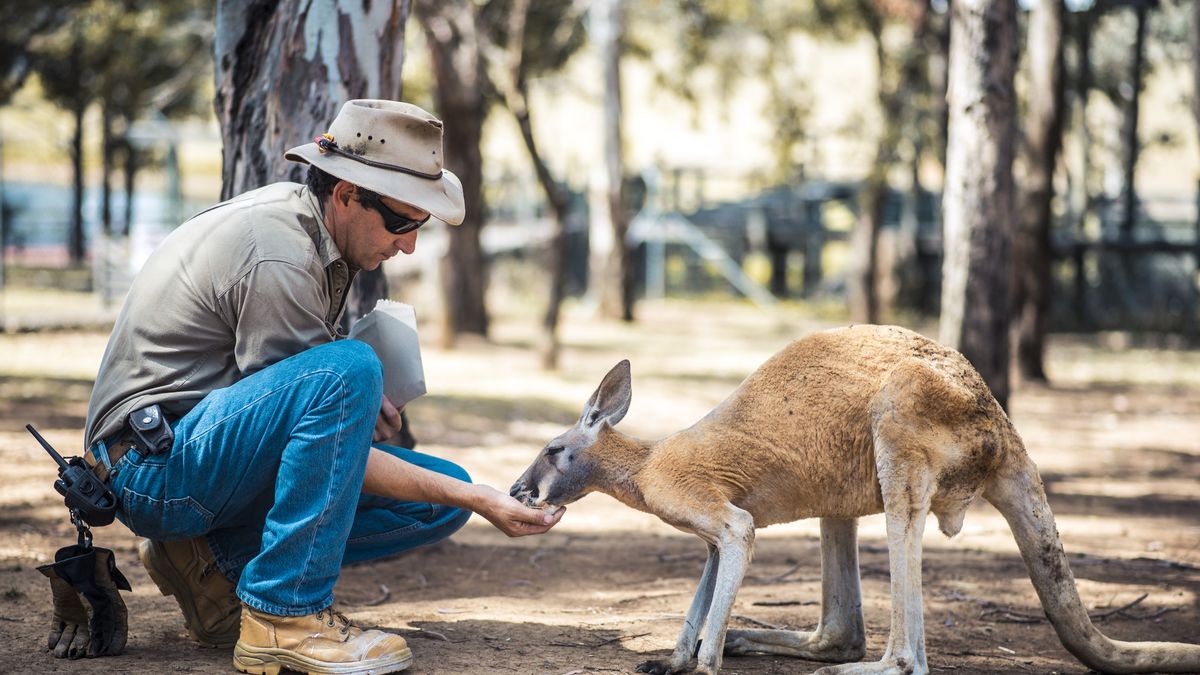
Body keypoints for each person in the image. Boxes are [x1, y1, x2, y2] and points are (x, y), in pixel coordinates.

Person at [81, 100, 565, 675]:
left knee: (437, 499)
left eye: (421, 225)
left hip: (194, 452)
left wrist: (370, 427)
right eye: (403, 222)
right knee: (355, 373)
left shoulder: (316, 235)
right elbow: (318, 425)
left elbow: (304, 444)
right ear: (347, 195)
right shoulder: (280, 254)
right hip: (151, 471)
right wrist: (478, 497)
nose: (409, 245)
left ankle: (214, 565)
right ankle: (283, 614)